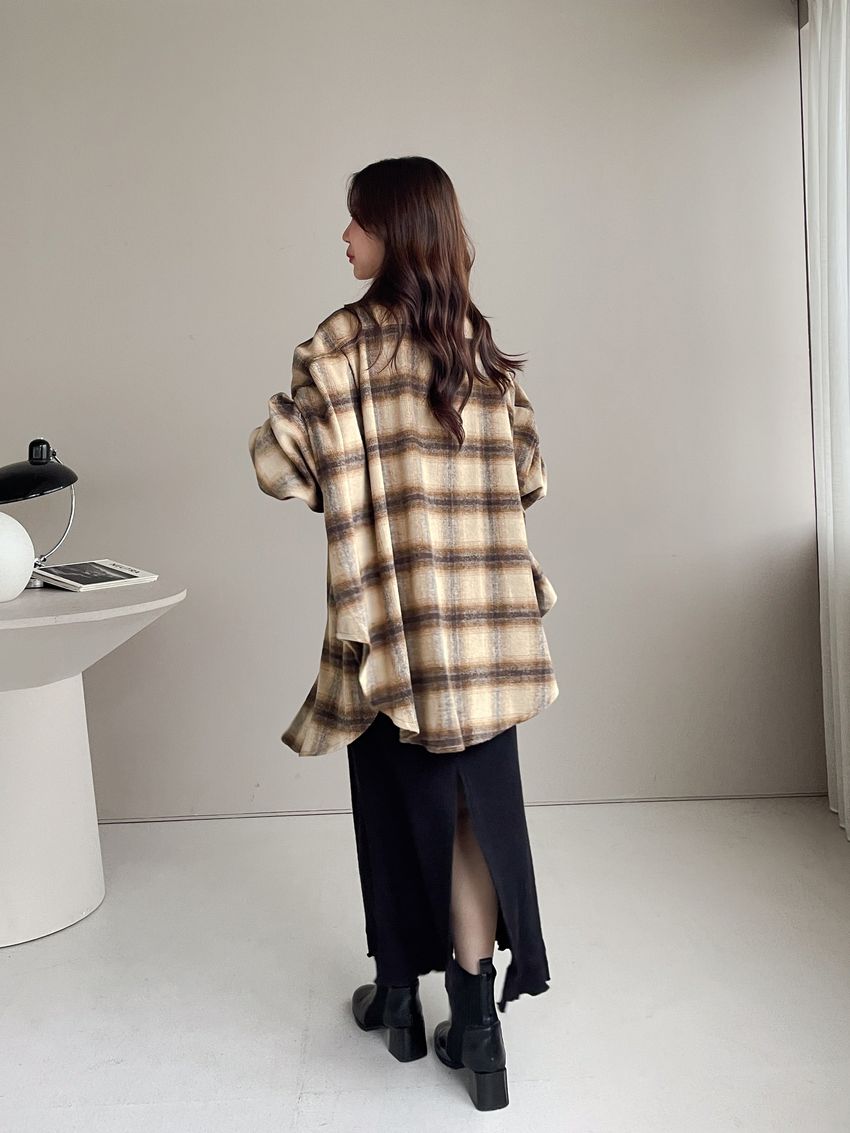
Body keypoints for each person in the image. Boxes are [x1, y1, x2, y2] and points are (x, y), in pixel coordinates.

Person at [248, 156, 559, 1111]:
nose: (344, 237)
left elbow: (277, 464)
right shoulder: (475, 344)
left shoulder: (340, 345)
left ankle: (395, 998)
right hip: (487, 633)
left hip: (392, 630)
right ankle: (478, 1026)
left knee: (390, 806)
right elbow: (530, 474)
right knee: (474, 821)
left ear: (393, 229)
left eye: (356, 221)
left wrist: (355, 479)